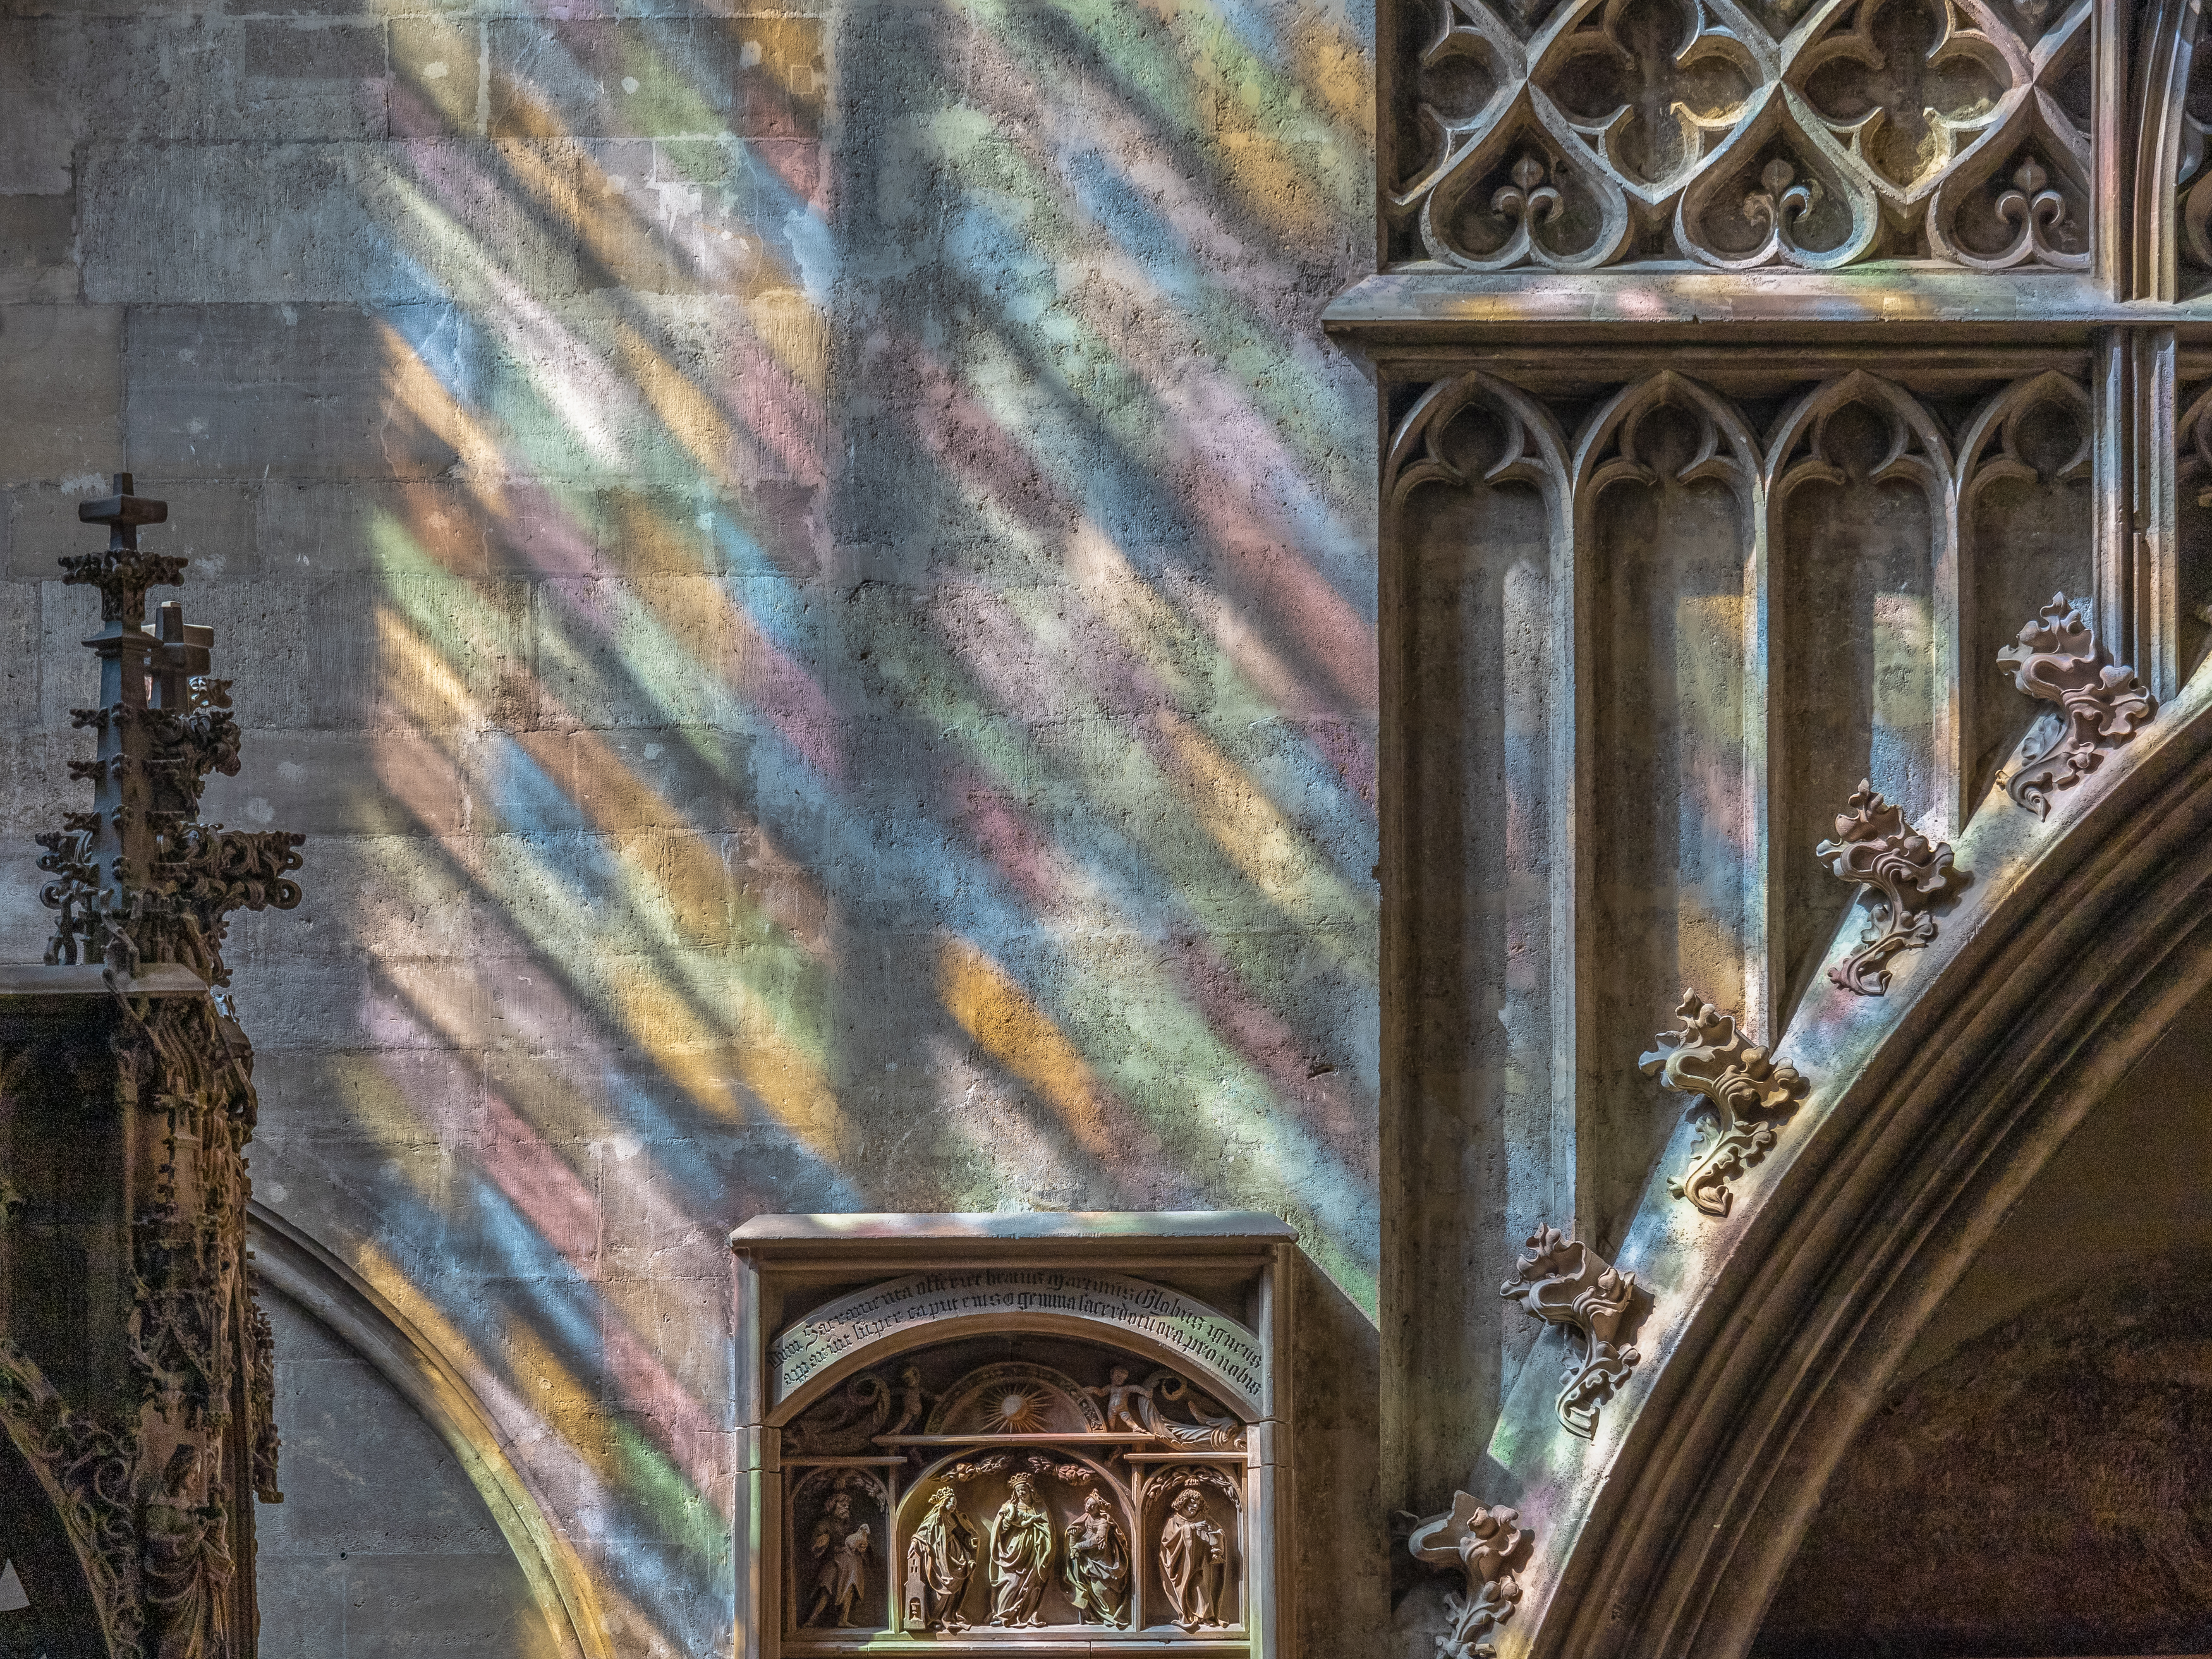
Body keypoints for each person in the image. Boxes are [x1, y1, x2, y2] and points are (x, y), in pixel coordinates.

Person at [904, 1486, 980, 1631]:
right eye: (951, 1502)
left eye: (955, 1504)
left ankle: (949, 1615)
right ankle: (934, 1617)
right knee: (941, 1588)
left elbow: (962, 1533)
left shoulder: (955, 1517)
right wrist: (913, 1545)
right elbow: (921, 1534)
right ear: (944, 1502)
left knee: (956, 1587)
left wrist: (970, 1541)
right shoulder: (934, 1519)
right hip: (940, 1556)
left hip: (955, 1553)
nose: (954, 1506)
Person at [987, 1473, 1055, 1626]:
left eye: (1024, 1489)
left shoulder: (1040, 1508)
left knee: (1032, 1584)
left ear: (1031, 1490)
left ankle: (1026, 1615)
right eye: (1018, 1491)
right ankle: (1001, 1615)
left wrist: (1043, 1545)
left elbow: (1049, 1530)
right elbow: (1001, 1530)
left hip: (1035, 1552)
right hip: (1014, 1550)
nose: (1021, 1493)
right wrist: (1007, 1522)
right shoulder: (1010, 1507)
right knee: (1013, 1581)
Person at [1158, 1488, 1227, 1630]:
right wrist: (1192, 1528)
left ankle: (1206, 1617)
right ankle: (1187, 1615)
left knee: (1202, 1587)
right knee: (1186, 1588)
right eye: (1191, 1505)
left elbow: (1217, 1529)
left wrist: (1217, 1533)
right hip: (1183, 1563)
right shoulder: (1174, 1520)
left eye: (1196, 1506)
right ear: (1183, 1504)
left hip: (1202, 1559)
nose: (1194, 1509)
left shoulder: (1203, 1517)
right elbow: (1168, 1541)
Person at [1062, 1489, 1131, 1627]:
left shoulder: (1103, 1522)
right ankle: (1093, 1615)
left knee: (1101, 1588)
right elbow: (1080, 1528)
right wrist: (1073, 1533)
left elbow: (1096, 1540)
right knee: (1088, 1586)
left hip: (1102, 1559)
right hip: (1088, 1558)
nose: (1089, 1507)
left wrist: (1079, 1546)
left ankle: (1110, 1615)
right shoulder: (1087, 1517)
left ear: (1099, 1509)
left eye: (1093, 1506)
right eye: (1088, 1503)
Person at [805, 1491, 872, 1627]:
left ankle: (843, 1619)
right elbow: (814, 1546)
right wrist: (821, 1541)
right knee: (826, 1586)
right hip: (833, 1560)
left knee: (850, 1587)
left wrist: (863, 1546)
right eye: (843, 1505)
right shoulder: (825, 1524)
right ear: (833, 1507)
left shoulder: (850, 1524)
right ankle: (812, 1619)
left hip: (849, 1561)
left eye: (847, 1505)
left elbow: (858, 1542)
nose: (846, 1508)